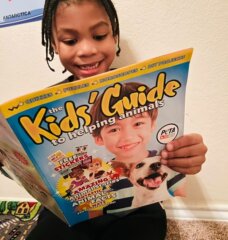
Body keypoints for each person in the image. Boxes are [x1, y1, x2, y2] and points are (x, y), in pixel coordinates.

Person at [0, 0, 207, 239]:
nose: (87, 49)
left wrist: (186, 155)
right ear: (55, 45)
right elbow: (25, 171)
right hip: (72, 213)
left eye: (99, 36)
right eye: (70, 40)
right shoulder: (44, 112)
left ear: (114, 37)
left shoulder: (141, 92)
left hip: (137, 209)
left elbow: (169, 158)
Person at [89, 81, 186, 213]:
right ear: (99, 138)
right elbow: (95, 215)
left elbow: (181, 196)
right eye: (114, 129)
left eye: (138, 123)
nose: (128, 136)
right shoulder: (100, 175)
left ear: (152, 125)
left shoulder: (164, 161)